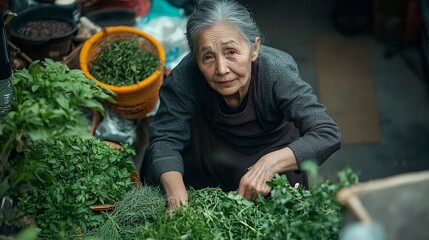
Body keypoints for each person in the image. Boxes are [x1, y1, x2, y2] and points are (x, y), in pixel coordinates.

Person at [142, 0, 341, 210]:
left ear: (254, 48)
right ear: (195, 58)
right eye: (207, 57)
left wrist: (269, 165)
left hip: (275, 154)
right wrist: (177, 197)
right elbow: (165, 139)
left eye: (231, 52)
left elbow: (327, 133)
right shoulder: (184, 77)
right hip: (209, 156)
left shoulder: (276, 72)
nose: (222, 69)